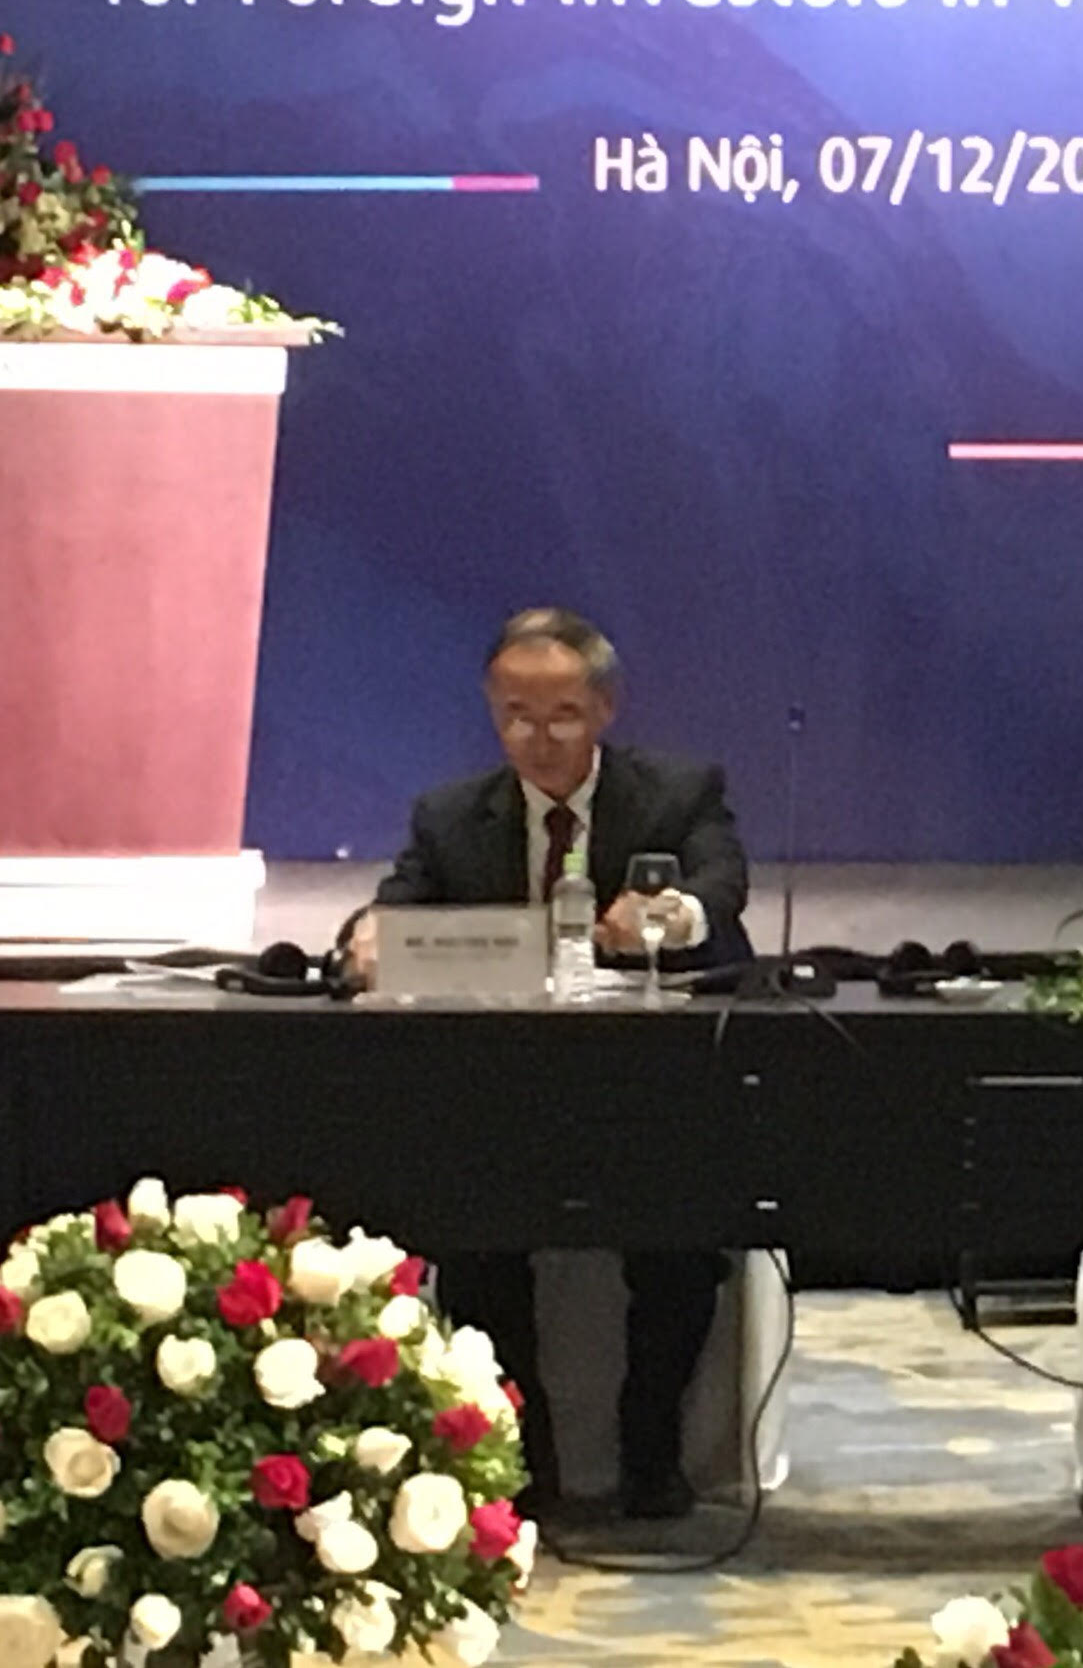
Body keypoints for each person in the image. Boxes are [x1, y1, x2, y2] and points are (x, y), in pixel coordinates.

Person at [337, 607, 751, 1521]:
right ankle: (522, 1460)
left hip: (652, 1085)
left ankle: (651, 1451)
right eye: (515, 716)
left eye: (561, 714)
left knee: (681, 1245)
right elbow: (393, 910)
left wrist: (669, 917)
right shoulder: (451, 816)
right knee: (475, 1237)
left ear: (604, 708)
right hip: (507, 1088)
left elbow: (720, 885)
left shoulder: (676, 793)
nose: (538, 738)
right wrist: (369, 936)